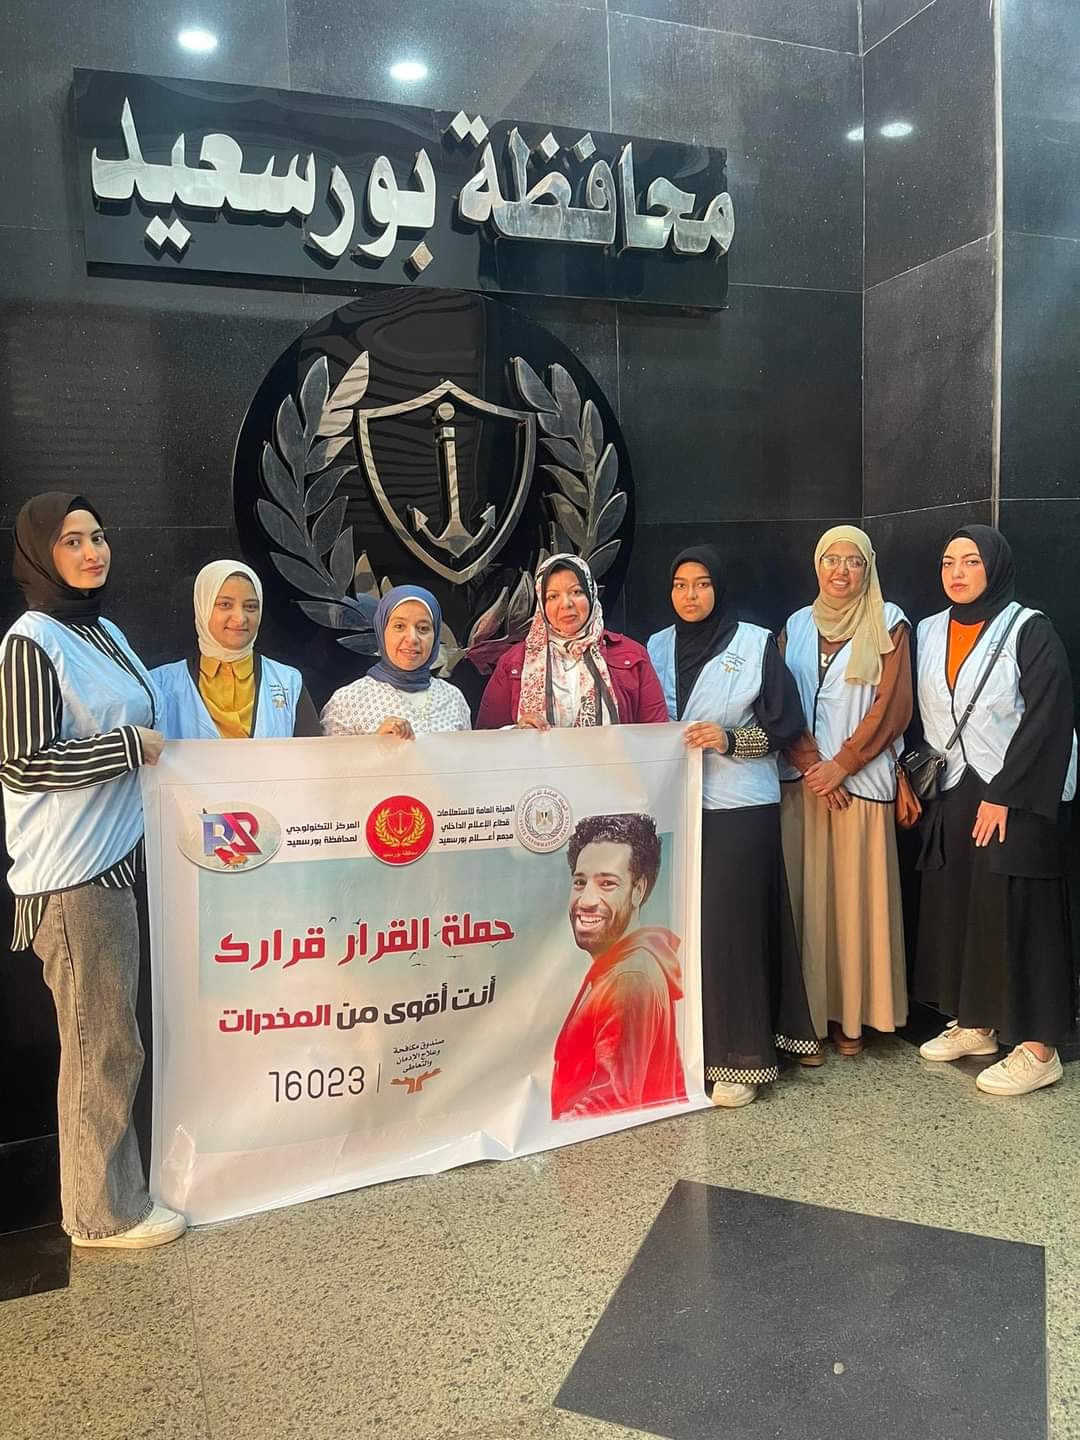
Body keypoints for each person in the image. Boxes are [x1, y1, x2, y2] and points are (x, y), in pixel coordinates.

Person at [0, 494, 185, 1248]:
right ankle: (100, 1214)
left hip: (116, 862)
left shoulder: (101, 630)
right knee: (99, 1044)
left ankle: (114, 1193)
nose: (92, 551)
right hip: (73, 877)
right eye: (72, 541)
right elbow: (22, 762)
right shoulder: (31, 642)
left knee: (113, 1040)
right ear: (41, 554)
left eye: (99, 536)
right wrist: (125, 747)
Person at [648, 546, 820, 1107]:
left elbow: (785, 728)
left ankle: (742, 1059)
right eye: (680, 585)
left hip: (739, 807)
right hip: (676, 809)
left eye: (701, 584)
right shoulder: (655, 646)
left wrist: (728, 739)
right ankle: (693, 1049)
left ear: (718, 588)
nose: (690, 595)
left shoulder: (755, 643)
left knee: (734, 933)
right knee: (685, 934)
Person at [914, 526, 1076, 1096]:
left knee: (1022, 909)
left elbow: (1049, 715)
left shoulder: (1029, 629)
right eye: (948, 561)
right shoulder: (930, 630)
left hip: (1019, 793)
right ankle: (977, 1021)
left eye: (971, 561)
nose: (957, 572)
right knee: (967, 905)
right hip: (957, 786)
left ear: (995, 567)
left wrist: (1005, 792)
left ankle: (1039, 1047)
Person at [779, 525, 912, 1055]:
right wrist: (813, 765)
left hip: (860, 788)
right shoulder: (796, 624)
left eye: (853, 561)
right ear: (817, 566)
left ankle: (852, 1019)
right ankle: (807, 1019)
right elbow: (780, 701)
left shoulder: (889, 621)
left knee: (854, 908)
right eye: (831, 559)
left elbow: (892, 707)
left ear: (867, 568)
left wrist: (843, 765)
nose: (841, 571)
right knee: (808, 908)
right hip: (804, 788)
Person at [551, 813, 687, 1119]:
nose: (586, 900)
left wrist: (551, 1135)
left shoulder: (630, 976)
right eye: (580, 882)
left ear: (638, 890)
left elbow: (611, 1101)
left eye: (607, 883)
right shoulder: (623, 965)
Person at [476, 553, 668, 730]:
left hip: (614, 758)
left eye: (576, 592)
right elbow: (486, 738)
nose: (566, 604)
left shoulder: (632, 655)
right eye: (553, 596)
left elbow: (656, 733)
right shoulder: (514, 662)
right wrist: (516, 730)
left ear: (591, 594)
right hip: (536, 759)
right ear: (542, 604)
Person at [152, 560, 319, 739]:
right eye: (225, 604)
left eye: (250, 606)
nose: (240, 618)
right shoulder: (160, 685)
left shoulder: (288, 683)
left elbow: (313, 753)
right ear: (203, 608)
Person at [320, 584, 471, 736]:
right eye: (399, 626)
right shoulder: (347, 702)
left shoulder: (453, 698)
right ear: (382, 630)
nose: (412, 638)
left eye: (423, 628)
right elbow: (332, 752)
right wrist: (373, 743)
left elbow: (466, 751)